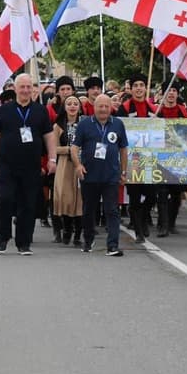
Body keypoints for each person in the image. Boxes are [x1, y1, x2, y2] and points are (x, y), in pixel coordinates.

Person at [0, 73, 56, 255]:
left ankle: (24, 242)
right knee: (5, 200)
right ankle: (3, 237)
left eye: (29, 87)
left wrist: (52, 159)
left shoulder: (40, 111)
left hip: (31, 166)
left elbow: (49, 136)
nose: (26, 90)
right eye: (22, 87)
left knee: (28, 204)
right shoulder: (5, 110)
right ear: (16, 89)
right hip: (7, 165)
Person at [72, 94, 129, 256]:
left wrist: (124, 171)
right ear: (94, 107)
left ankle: (112, 245)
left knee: (112, 211)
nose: (103, 109)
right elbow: (74, 148)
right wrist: (78, 165)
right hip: (89, 175)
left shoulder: (118, 124)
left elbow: (123, 149)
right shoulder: (84, 124)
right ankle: (88, 240)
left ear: (111, 107)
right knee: (89, 210)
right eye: (100, 106)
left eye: (106, 106)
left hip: (111, 176)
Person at [117, 73, 158, 242]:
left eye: (142, 85)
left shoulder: (154, 109)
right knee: (134, 196)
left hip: (150, 160)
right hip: (132, 159)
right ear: (131, 89)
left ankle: (141, 217)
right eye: (136, 85)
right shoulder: (124, 108)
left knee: (151, 195)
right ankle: (139, 231)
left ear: (145, 88)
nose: (139, 88)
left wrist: (157, 122)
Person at [155, 85, 187, 236]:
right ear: (163, 94)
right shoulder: (157, 111)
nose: (171, 94)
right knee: (162, 192)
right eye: (168, 91)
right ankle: (163, 224)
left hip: (179, 157)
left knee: (176, 193)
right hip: (160, 156)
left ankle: (172, 223)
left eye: (174, 91)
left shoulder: (184, 112)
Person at [52, 95, 84, 245]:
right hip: (65, 166)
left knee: (80, 200)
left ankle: (78, 232)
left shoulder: (85, 123)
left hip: (82, 164)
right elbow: (53, 148)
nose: (72, 106)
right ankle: (67, 229)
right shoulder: (58, 126)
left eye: (75, 104)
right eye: (69, 104)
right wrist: (69, 149)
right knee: (66, 198)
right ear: (64, 107)